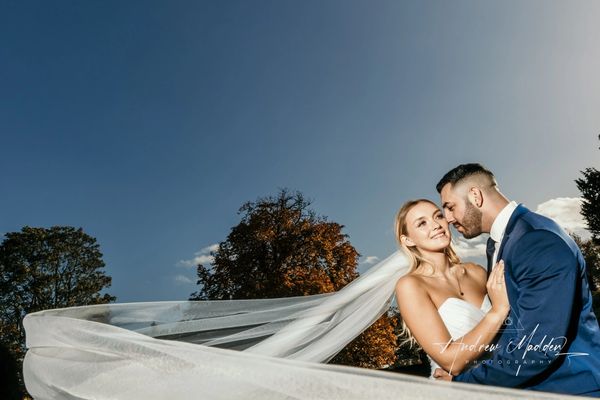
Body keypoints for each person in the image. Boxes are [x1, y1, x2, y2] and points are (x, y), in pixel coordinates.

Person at [433, 163, 600, 397]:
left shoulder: (536, 240)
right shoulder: (499, 243)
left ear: (475, 196)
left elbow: (538, 348)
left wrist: (464, 384)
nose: (447, 218)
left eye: (450, 207)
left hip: (571, 388)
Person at [394, 199, 510, 377]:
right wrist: (498, 311)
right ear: (408, 240)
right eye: (422, 223)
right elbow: (451, 362)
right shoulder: (411, 286)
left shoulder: (476, 272)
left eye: (438, 216)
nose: (436, 225)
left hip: (502, 378)